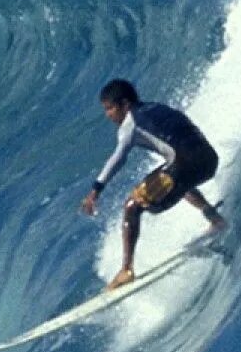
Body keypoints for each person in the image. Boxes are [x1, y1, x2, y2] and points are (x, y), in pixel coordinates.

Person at [79, 78, 225, 287]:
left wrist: (96, 191)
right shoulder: (156, 107)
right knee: (173, 180)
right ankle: (215, 218)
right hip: (209, 160)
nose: (108, 114)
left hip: (187, 165)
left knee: (132, 206)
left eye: (110, 108)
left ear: (125, 104)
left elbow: (118, 158)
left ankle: (126, 270)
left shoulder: (131, 125)